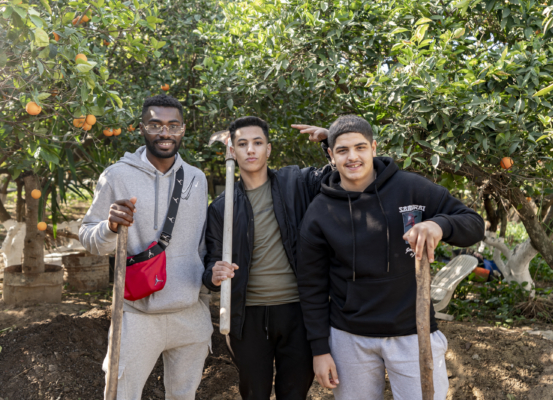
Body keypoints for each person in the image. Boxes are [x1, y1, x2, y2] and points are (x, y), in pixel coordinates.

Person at [296, 115, 485, 399]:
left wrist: (439, 224)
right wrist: (320, 350)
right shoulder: (320, 211)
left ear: (373, 148)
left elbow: (473, 223)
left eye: (360, 148)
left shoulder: (410, 187)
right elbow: (311, 286)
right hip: (350, 338)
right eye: (343, 150)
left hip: (413, 332)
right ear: (331, 156)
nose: (353, 157)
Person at [79, 94, 212, 400]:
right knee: (121, 394)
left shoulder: (196, 178)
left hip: (190, 313)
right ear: (141, 128)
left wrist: (204, 298)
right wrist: (110, 227)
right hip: (137, 315)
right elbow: (87, 237)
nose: (164, 132)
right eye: (155, 124)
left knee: (184, 395)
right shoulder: (116, 176)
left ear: (183, 129)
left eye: (172, 125)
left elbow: (202, 245)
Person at [203, 116, 331, 400]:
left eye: (257, 143)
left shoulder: (295, 183)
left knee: (294, 393)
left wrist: (330, 140)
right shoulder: (221, 209)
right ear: (232, 152)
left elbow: (340, 175)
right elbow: (210, 265)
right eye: (243, 144)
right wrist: (214, 273)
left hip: (298, 312)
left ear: (268, 149)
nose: (251, 150)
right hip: (246, 317)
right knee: (254, 394)